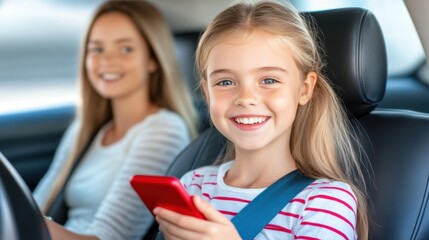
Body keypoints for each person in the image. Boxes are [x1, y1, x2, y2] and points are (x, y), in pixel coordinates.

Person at [153, 1, 369, 239]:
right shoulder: (192, 186)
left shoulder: (324, 202)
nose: (245, 98)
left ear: (305, 89)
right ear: (207, 92)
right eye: (225, 82)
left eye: (268, 80)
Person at [32, 1, 199, 239]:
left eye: (126, 49)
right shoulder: (84, 130)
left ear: (152, 59)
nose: (107, 60)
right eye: (97, 49)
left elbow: (109, 237)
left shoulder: (164, 129)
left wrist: (27, 221)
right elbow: (39, 205)